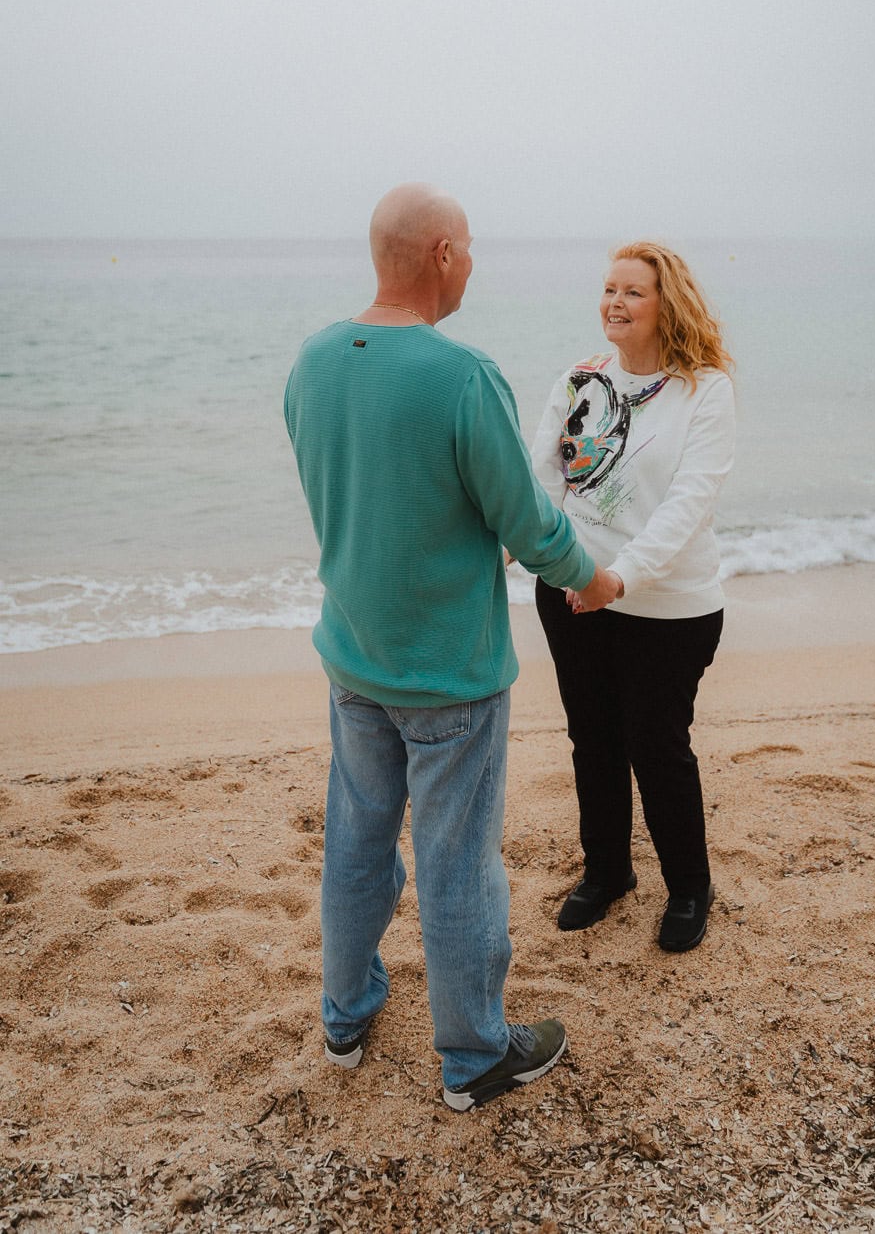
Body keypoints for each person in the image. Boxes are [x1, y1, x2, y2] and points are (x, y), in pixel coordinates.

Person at [284, 184, 619, 1112]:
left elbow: (347, 489)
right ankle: (474, 1057)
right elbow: (524, 520)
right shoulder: (463, 374)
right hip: (448, 674)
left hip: (354, 654)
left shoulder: (312, 361)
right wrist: (591, 578)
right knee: (458, 861)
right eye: (468, 246)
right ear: (440, 254)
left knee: (357, 842)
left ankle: (345, 1017)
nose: (473, 261)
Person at [531, 241, 734, 952]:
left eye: (633, 292)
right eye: (609, 289)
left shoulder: (705, 390)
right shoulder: (580, 379)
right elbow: (543, 482)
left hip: (667, 607)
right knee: (592, 739)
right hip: (571, 596)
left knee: (657, 746)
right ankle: (608, 872)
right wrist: (538, 562)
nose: (614, 303)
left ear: (666, 305)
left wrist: (618, 579)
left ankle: (689, 886)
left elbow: (689, 504)